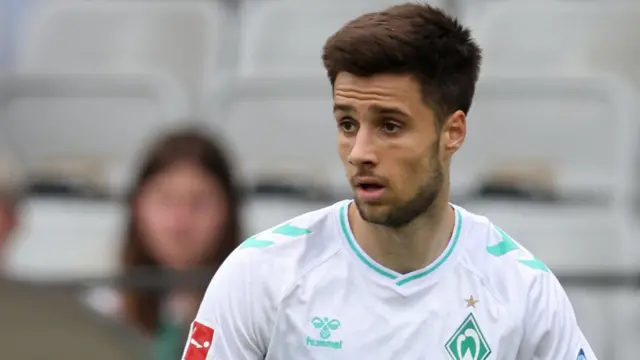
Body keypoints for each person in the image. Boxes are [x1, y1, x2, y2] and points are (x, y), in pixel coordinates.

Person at [183, 3, 596, 360]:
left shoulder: (522, 291)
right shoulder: (260, 275)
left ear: (452, 133)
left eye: (390, 126)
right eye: (347, 123)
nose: (360, 151)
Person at [85, 128, 241, 359]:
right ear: (137, 206)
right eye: (165, 201)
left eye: (198, 203)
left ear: (227, 210)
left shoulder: (258, 311)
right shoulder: (102, 310)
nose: (179, 224)